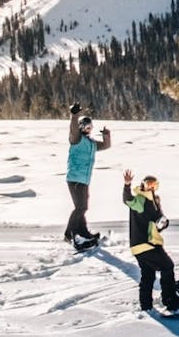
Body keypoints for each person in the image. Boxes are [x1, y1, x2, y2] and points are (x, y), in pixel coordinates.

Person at [123, 169, 179, 314]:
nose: (151, 187)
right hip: (145, 244)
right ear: (143, 185)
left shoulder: (155, 201)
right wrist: (127, 185)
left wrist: (163, 224)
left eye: (154, 184)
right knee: (167, 266)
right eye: (148, 183)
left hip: (144, 245)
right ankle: (170, 300)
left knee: (148, 274)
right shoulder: (140, 199)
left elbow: (159, 221)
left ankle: (146, 306)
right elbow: (128, 200)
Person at [64, 103, 113, 250]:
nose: (88, 130)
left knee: (82, 207)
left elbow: (106, 146)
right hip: (75, 178)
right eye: (85, 127)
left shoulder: (91, 143)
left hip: (84, 179)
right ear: (80, 128)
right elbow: (72, 129)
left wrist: (106, 135)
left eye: (90, 127)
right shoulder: (76, 139)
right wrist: (74, 115)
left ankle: (83, 232)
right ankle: (70, 234)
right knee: (81, 207)